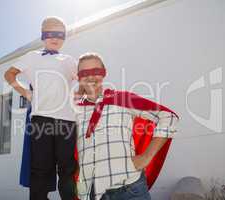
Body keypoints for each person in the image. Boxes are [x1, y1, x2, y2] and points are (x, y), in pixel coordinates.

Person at [73, 53, 179, 200]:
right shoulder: (73, 110)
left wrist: (147, 156)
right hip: (91, 194)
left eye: (96, 71)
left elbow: (169, 117)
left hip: (129, 190)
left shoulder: (122, 99)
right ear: (78, 77)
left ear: (104, 73)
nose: (91, 77)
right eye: (85, 73)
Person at [4, 16, 78, 200]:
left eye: (60, 34)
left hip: (67, 120)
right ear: (43, 36)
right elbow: (9, 74)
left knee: (67, 168)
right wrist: (25, 92)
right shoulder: (31, 57)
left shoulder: (69, 60)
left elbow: (84, 81)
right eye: (50, 33)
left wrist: (81, 95)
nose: (55, 38)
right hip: (41, 118)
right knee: (40, 169)